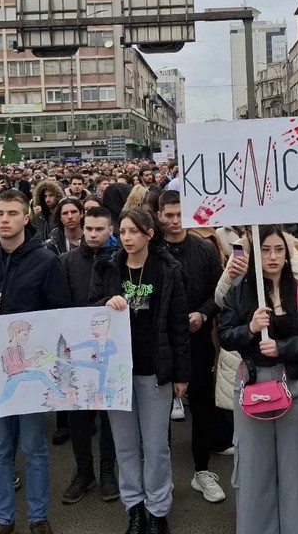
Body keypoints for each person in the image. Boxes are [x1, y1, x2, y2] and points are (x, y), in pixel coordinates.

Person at [0, 189, 70, 534]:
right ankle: (3, 517)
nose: (3, 220)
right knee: (1, 450)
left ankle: (38, 516)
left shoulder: (46, 262)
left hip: (32, 375)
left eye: (11, 213)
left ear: (26, 217)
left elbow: (60, 315)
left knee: (34, 447)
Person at [219, 224, 298, 534]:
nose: (273, 256)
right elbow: (226, 336)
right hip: (254, 387)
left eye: (279, 249)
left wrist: (283, 347)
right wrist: (250, 329)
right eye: (266, 250)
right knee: (255, 472)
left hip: (297, 390)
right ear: (255, 254)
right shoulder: (239, 291)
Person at [90, 208, 190, 534]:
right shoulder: (107, 266)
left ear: (149, 233)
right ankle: (134, 507)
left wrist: (181, 374)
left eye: (134, 231)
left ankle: (158, 510)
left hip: (154, 371)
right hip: (116, 372)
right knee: (125, 444)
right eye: (123, 231)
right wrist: (106, 302)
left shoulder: (167, 270)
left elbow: (178, 325)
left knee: (156, 445)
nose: (127, 238)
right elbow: (88, 309)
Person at [155, 190, 227, 503]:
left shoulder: (204, 248)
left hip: (197, 342)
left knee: (202, 407)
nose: (174, 221)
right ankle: (162, 478)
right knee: (158, 416)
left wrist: (203, 313)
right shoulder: (151, 251)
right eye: (168, 215)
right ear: (158, 215)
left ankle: (202, 471)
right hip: (161, 345)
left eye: (179, 215)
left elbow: (218, 293)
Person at [59, 206, 120, 505]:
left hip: (110, 351)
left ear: (111, 230)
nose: (94, 234)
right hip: (76, 351)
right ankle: (84, 471)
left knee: (109, 414)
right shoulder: (66, 262)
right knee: (78, 416)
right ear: (82, 229)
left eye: (100, 229)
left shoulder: (121, 260)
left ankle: (108, 470)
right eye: (89, 229)